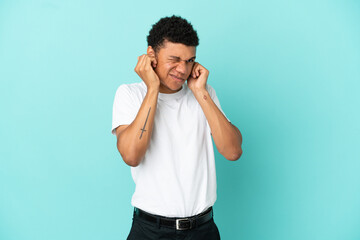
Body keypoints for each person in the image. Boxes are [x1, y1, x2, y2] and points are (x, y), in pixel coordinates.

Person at [111, 15, 243, 240]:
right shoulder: (130, 94)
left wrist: (200, 92)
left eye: (190, 60)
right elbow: (132, 156)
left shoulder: (204, 94)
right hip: (150, 230)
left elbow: (233, 151)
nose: (183, 69)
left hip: (203, 230)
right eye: (175, 59)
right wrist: (152, 88)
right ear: (151, 54)